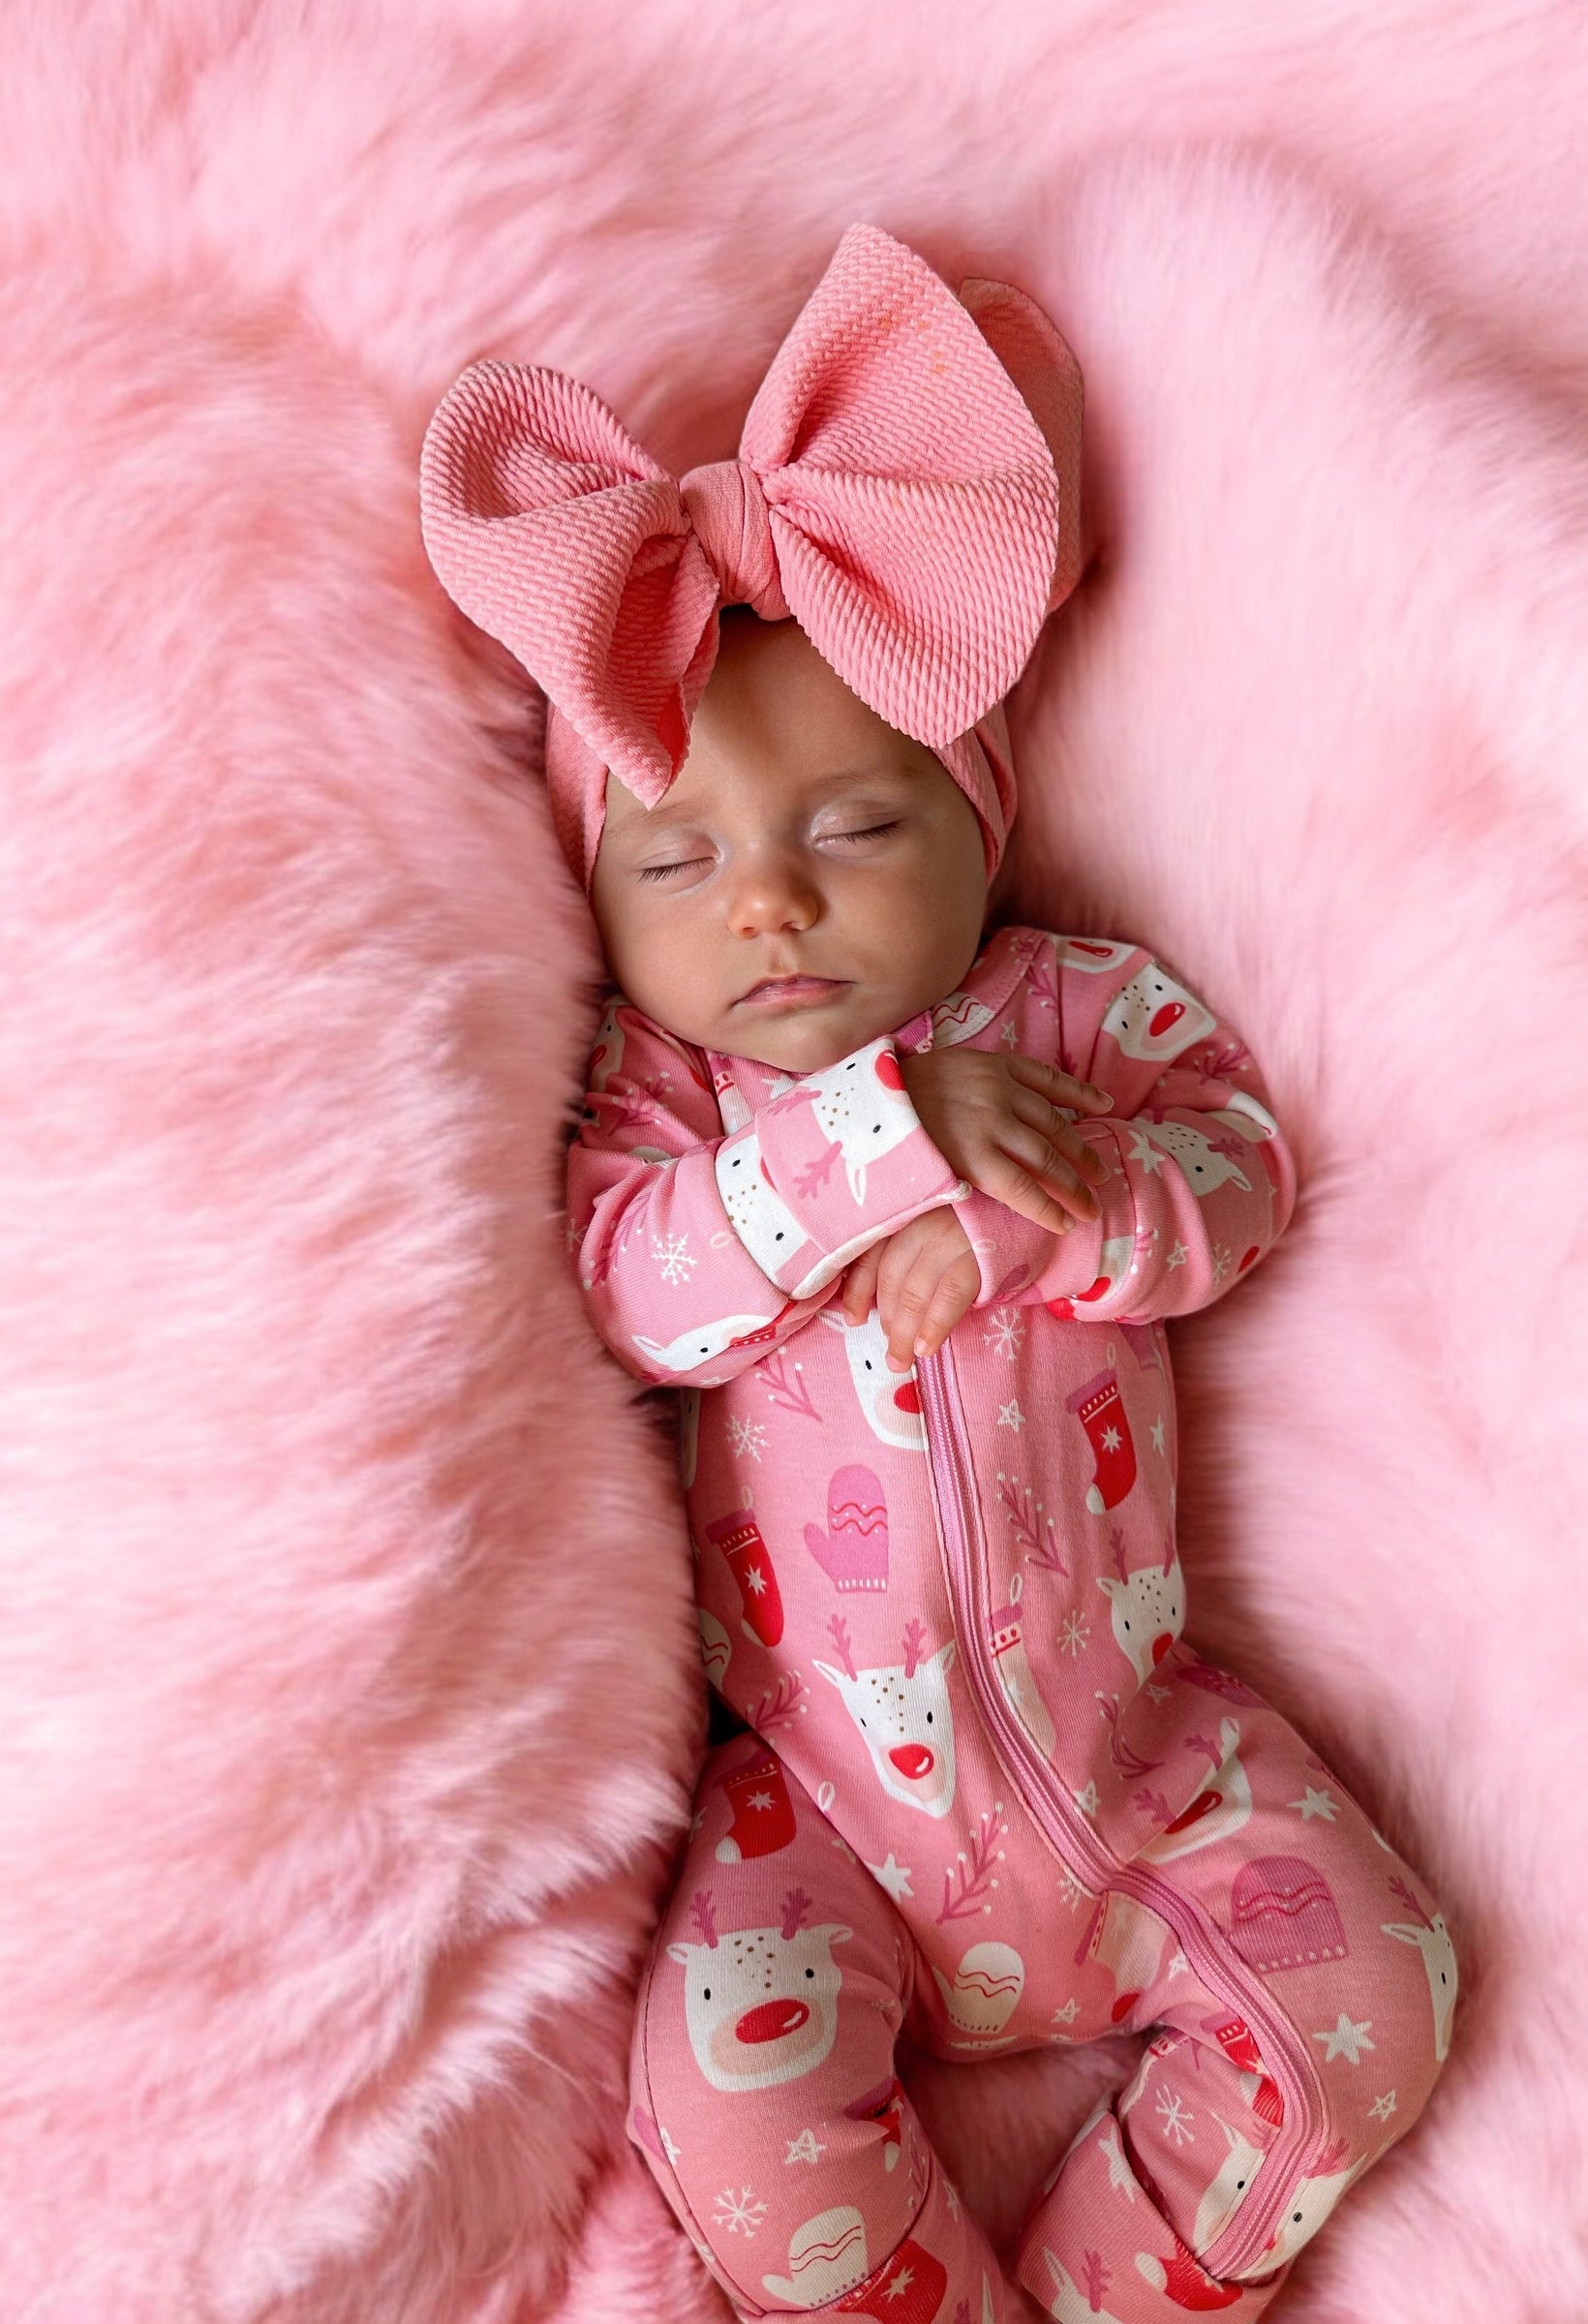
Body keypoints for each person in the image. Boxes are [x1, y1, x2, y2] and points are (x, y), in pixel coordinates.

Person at [420, 221, 1455, 2324]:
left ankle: (1108, 2291)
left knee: (1388, 1989)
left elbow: (1235, 1181)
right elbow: (634, 1295)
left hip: (1149, 1755)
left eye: (858, 828)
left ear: (980, 823)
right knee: (721, 2095)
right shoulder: (670, 1107)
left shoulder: (1076, 1012)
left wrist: (1035, 1195)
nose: (770, 904)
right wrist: (862, 1147)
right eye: (679, 860)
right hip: (826, 1814)